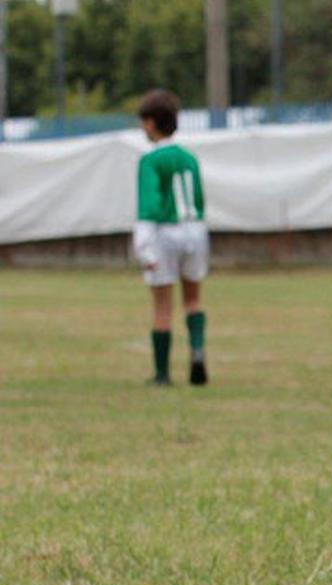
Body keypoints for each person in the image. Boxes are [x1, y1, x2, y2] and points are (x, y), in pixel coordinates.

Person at [132, 89, 210, 386]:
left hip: (164, 231)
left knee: (163, 306)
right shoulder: (189, 158)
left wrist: (144, 248)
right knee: (193, 299)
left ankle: (162, 374)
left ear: (151, 123)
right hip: (195, 229)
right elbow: (200, 197)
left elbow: (149, 206)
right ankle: (198, 353)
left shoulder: (151, 160)